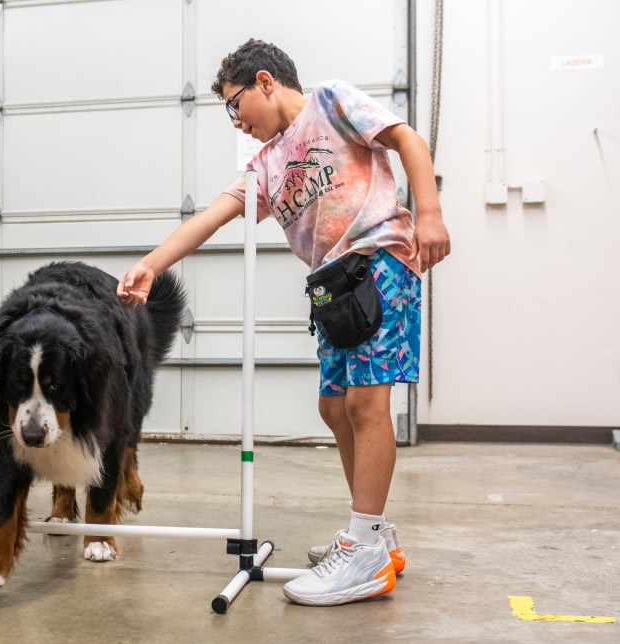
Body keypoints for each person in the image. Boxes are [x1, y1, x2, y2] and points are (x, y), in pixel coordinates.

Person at [117, 38, 450, 606]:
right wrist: (151, 264)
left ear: (265, 81)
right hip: (334, 288)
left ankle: (365, 549)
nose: (236, 121)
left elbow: (406, 139)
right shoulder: (266, 165)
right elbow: (212, 217)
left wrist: (431, 212)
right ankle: (373, 535)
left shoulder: (331, 102)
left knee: (367, 404)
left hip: (380, 261)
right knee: (334, 405)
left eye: (233, 104)